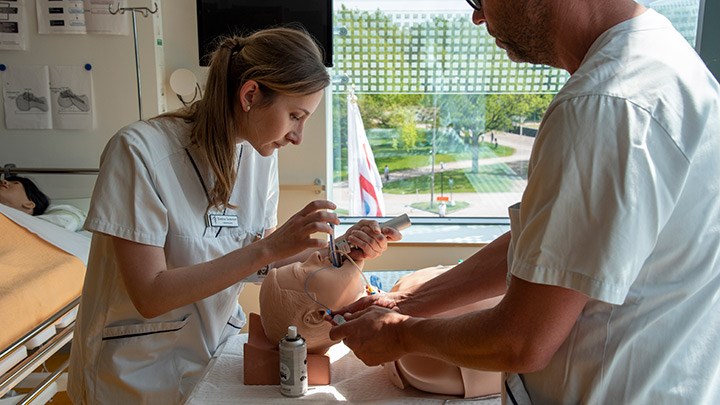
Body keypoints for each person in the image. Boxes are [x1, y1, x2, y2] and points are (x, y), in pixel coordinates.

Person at [329, 1, 720, 403]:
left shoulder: (604, 103)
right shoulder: (665, 57)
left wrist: (398, 334)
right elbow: (549, 250)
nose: (477, 16)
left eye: (479, 0)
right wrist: (407, 300)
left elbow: (522, 339)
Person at [67, 27, 401, 404]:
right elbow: (150, 294)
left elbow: (263, 258)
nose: (298, 137)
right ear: (250, 95)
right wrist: (267, 250)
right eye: (295, 116)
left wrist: (337, 251)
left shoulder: (258, 156)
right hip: (134, 373)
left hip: (212, 348)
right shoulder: (138, 152)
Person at [258, 252, 501, 398]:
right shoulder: (415, 363)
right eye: (303, 271)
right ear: (319, 315)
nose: (313, 256)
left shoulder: (401, 290)